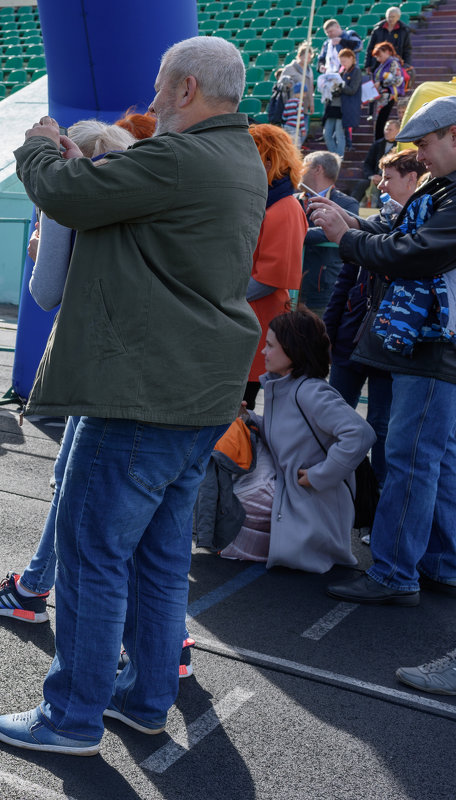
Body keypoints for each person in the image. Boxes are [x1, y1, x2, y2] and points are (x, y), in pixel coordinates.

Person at [0, 36, 266, 756]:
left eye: (157, 88)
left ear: (183, 88)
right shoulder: (235, 156)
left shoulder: (177, 157)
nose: (148, 102)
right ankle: (145, 698)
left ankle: (72, 716)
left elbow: (64, 196)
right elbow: (143, 220)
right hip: (197, 391)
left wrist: (40, 147)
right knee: (158, 558)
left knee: (91, 554)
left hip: (142, 389)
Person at [309, 96, 456, 606]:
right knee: (437, 458)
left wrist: (345, 238)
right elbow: (395, 230)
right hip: (430, 345)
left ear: (455, 134)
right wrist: (347, 224)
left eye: (427, 142)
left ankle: (395, 573)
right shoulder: (441, 190)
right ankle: (440, 562)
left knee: (411, 459)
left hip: (432, 345)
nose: (420, 154)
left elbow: (414, 252)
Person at [221, 311, 375, 570]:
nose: (263, 352)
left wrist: (320, 475)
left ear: (293, 349)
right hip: (294, 490)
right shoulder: (283, 385)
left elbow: (361, 434)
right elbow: (282, 433)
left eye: (270, 346)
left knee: (234, 496)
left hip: (313, 498)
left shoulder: (311, 391)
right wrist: (249, 418)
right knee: (226, 489)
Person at [323, 149, 422, 488]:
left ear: (412, 179)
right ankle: (324, 491)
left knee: (381, 426)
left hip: (387, 345)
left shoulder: (422, 227)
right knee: (330, 416)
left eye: (388, 178)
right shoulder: (379, 219)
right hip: (351, 338)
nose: (380, 185)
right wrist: (329, 331)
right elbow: (345, 283)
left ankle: (372, 502)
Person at [243, 124, 307, 409]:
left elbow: (270, 277)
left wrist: (222, 297)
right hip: (248, 321)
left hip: (259, 325)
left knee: (241, 412)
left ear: (270, 160)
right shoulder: (265, 201)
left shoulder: (285, 207)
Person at [299, 151, 360, 314]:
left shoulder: (346, 203)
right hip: (288, 287)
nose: (299, 169)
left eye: (304, 164)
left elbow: (335, 231)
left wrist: (294, 233)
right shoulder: (293, 200)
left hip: (322, 290)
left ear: (317, 169)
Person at [322, 49, 361, 158]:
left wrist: (342, 85)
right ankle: (335, 156)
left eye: (345, 61)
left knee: (340, 134)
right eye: (341, 61)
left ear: (351, 59)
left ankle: (339, 157)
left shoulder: (356, 71)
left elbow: (353, 90)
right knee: (327, 133)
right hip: (333, 106)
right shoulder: (341, 71)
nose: (343, 64)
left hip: (344, 108)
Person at [278, 45, 315, 147]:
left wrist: (311, 103)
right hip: (292, 107)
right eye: (305, 57)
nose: (308, 60)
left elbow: (311, 88)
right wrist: (288, 84)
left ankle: (296, 153)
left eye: (310, 57)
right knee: (292, 135)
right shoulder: (290, 68)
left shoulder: (309, 70)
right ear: (299, 55)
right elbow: (280, 85)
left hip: (305, 105)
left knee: (304, 131)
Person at [370, 42, 406, 142]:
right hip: (380, 97)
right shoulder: (383, 64)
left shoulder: (393, 63)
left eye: (380, 56)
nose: (378, 59)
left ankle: (381, 144)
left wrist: (381, 83)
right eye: (376, 57)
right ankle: (378, 144)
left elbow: (398, 79)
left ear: (387, 52)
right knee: (379, 123)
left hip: (388, 96)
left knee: (382, 122)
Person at [362, 118, 400, 206]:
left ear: (398, 131)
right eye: (386, 129)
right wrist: (371, 176)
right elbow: (367, 163)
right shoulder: (377, 144)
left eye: (390, 130)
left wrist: (384, 178)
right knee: (361, 185)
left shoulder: (400, 146)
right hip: (374, 178)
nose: (387, 132)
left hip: (391, 179)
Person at [365, 6, 412, 71]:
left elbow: (407, 49)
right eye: (389, 16)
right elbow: (370, 48)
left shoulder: (404, 31)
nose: (390, 19)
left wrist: (407, 64)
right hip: (378, 64)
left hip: (396, 65)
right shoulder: (377, 30)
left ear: (398, 17)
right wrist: (368, 65)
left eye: (393, 17)